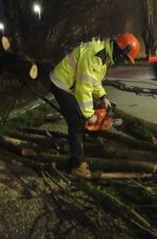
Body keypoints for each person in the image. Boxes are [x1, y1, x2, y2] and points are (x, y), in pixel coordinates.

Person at [49, 33, 140, 178]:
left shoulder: (104, 56)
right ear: (120, 49)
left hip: (69, 84)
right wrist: (89, 114)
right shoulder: (97, 55)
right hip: (61, 84)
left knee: (79, 118)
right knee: (77, 122)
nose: (122, 61)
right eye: (124, 57)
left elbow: (94, 80)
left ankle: (75, 151)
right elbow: (84, 87)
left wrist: (103, 97)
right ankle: (77, 165)